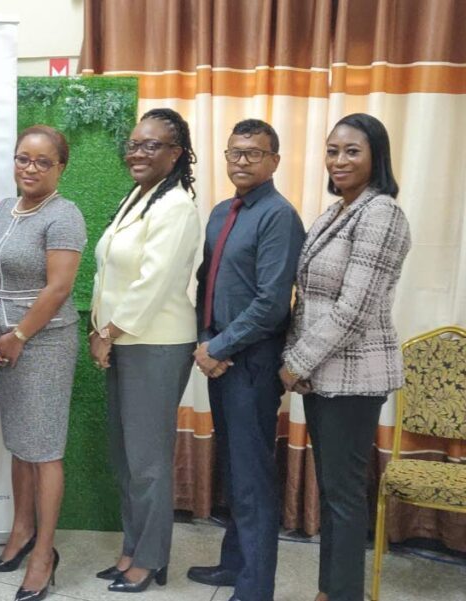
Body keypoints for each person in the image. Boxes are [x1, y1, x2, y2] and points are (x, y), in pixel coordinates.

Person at [280, 114, 411, 601]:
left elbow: (354, 308)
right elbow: (309, 298)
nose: (339, 160)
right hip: (322, 376)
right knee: (335, 494)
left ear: (376, 155)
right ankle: (329, 592)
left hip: (355, 379)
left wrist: (296, 363)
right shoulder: (336, 212)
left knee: (345, 497)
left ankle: (343, 594)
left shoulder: (382, 213)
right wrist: (301, 361)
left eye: (352, 150)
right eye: (332, 150)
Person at [189, 119, 306, 601]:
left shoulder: (279, 216)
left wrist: (217, 348)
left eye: (254, 153)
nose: (242, 161)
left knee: (253, 474)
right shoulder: (220, 212)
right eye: (235, 152)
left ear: (274, 161)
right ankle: (234, 564)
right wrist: (205, 341)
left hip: (253, 365)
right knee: (234, 469)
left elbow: (273, 302)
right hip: (219, 358)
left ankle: (256, 587)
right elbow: (206, 285)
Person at [89, 108, 201, 593]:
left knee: (149, 460)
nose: (137, 152)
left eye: (151, 145)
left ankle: (151, 559)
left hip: (155, 344)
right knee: (126, 456)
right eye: (134, 143)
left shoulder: (177, 207)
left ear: (175, 154)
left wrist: (107, 332)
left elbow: (152, 282)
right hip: (123, 341)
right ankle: (133, 547)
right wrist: (104, 330)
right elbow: (108, 272)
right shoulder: (138, 196)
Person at [0, 125, 86, 601]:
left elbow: (58, 288)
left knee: (44, 450)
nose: (31, 168)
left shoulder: (64, 215)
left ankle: (44, 553)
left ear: (60, 167)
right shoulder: (6, 209)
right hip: (2, 340)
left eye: (43, 161)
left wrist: (19, 335)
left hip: (43, 345)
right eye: (24, 158)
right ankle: (20, 533)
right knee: (20, 444)